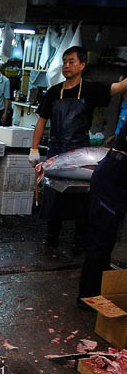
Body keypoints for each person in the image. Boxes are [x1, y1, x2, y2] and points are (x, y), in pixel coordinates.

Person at [29, 46, 127, 250]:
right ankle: (51, 238)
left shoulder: (91, 89)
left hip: (80, 153)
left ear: (82, 65)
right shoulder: (55, 91)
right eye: (64, 61)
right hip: (56, 150)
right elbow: (41, 120)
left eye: (72, 61)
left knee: (83, 197)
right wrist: (34, 148)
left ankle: (80, 240)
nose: (66, 65)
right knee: (53, 197)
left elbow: (118, 88)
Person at [78, 120, 127, 306]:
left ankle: (98, 292)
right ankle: (87, 297)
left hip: (120, 177)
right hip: (113, 177)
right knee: (101, 239)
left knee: (107, 240)